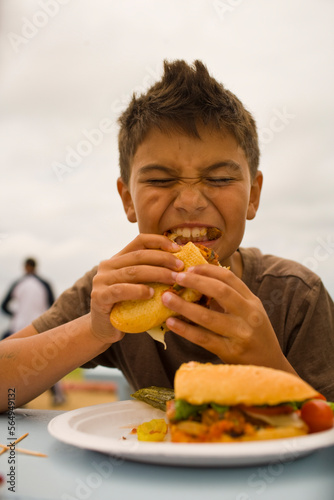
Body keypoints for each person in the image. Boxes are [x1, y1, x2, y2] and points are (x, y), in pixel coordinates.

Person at [0, 60, 333, 413]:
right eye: (160, 180)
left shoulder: (296, 296)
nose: (190, 203)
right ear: (128, 199)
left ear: (253, 195)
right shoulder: (115, 293)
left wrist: (270, 361)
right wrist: (97, 330)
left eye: (219, 179)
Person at [1, 258, 65, 405]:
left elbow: (3, 306)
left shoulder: (18, 283)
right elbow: (54, 307)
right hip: (40, 326)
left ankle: (17, 398)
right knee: (47, 362)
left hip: (18, 327)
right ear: (35, 267)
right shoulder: (44, 283)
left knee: (15, 365)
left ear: (25, 267)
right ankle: (57, 396)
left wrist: (16, 314)